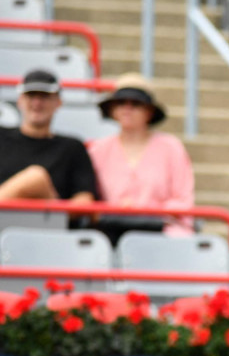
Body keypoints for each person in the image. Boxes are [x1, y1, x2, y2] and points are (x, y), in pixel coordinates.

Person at [88, 73, 195, 240]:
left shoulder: (171, 148)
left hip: (162, 230)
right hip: (110, 229)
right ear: (112, 109)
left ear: (149, 111)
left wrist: (145, 211)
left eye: (136, 104)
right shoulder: (98, 150)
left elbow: (183, 199)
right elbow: (91, 198)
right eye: (121, 103)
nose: (127, 108)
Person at [0, 70, 97, 203]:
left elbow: (84, 200)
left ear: (58, 102)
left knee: (36, 177)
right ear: (20, 101)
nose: (37, 103)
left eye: (44, 96)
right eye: (31, 95)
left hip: (51, 221)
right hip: (4, 220)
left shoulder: (72, 148)